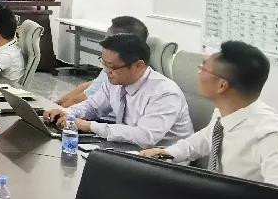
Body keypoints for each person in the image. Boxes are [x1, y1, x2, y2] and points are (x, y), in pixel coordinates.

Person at [141, 41, 278, 190]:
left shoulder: (273, 139)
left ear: (222, 85)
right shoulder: (226, 112)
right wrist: (161, 155)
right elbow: (202, 140)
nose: (199, 73)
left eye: (203, 68)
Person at [44, 34, 194, 148]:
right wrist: (66, 113)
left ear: (138, 66)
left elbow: (145, 137)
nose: (106, 71)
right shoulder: (116, 81)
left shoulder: (165, 93)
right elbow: (92, 106)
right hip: (129, 150)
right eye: (104, 64)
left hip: (165, 163)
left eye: (112, 66)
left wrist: (89, 126)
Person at [55, 15, 149, 108]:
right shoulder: (116, 66)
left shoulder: (119, 73)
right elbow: (91, 85)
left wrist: (60, 109)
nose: (104, 43)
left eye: (107, 39)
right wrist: (58, 102)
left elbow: (81, 101)